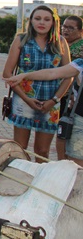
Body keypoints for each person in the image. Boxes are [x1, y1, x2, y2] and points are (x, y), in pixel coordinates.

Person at [2, 5, 71, 162]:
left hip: (50, 103)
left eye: (47, 19)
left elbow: (68, 75)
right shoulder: (21, 40)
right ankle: (20, 175)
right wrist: (27, 99)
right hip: (24, 100)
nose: (42, 22)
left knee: (42, 151)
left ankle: (39, 176)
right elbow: (7, 73)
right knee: (20, 148)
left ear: (53, 22)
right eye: (37, 18)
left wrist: (54, 100)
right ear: (31, 20)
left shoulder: (60, 42)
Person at [4, 58, 83, 167]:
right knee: (77, 168)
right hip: (81, 124)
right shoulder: (80, 64)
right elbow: (51, 73)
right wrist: (24, 76)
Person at [56, 15, 83, 159]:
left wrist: (74, 94)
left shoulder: (81, 48)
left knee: (66, 131)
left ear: (81, 31)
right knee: (62, 130)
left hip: (73, 99)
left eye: (70, 28)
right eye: (64, 26)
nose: (65, 30)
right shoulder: (60, 43)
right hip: (60, 94)